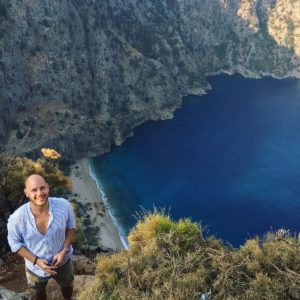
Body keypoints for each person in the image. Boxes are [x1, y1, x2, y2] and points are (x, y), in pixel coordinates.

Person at [7, 174, 76, 300]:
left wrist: (64, 250)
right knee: (38, 291)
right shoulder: (16, 219)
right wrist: (36, 261)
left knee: (67, 284)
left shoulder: (64, 205)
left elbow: (71, 227)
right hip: (34, 267)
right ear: (26, 192)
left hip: (63, 260)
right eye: (34, 190)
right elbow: (14, 244)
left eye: (42, 188)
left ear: (48, 188)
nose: (39, 193)